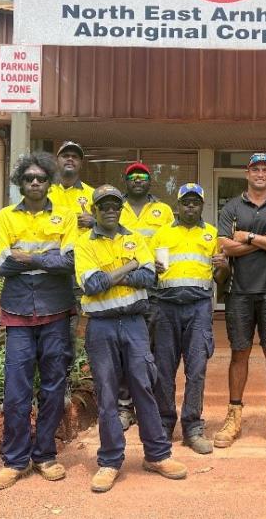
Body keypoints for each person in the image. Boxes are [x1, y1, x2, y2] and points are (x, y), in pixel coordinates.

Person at [75, 185, 187, 492]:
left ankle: (157, 455)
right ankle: (110, 461)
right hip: (101, 326)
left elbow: (149, 277)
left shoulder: (135, 238)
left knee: (144, 387)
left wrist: (113, 276)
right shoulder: (83, 243)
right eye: (104, 206)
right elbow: (93, 285)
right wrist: (130, 265)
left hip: (135, 323)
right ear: (95, 210)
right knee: (107, 394)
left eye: (115, 205)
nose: (110, 210)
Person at [0, 152, 77, 490]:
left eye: (41, 178)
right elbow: (4, 265)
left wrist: (29, 258)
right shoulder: (6, 217)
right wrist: (47, 259)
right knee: (16, 390)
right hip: (18, 311)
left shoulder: (66, 217)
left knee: (54, 387)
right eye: (29, 178)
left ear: (49, 182)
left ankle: (45, 455)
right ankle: (15, 460)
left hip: (56, 310)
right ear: (20, 183)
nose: (35, 183)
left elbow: (69, 262)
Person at [215, 153, 266, 451]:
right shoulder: (232, 207)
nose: (260, 173)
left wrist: (248, 237)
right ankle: (233, 416)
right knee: (239, 353)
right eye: (255, 169)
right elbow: (225, 246)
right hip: (239, 292)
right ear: (247, 173)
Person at [150, 183, 228, 454]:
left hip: (198, 308)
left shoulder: (212, 234)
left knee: (196, 370)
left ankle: (192, 427)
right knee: (163, 370)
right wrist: (152, 270)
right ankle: (164, 423)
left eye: (195, 202)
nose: (190, 207)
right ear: (178, 205)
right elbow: (149, 273)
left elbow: (220, 278)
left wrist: (224, 267)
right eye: (186, 202)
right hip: (166, 307)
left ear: (202, 205)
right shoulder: (161, 234)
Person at [117, 160, 175, 429]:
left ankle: (147, 405)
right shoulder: (115, 207)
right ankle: (124, 406)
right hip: (123, 288)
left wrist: (165, 266)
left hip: (154, 290)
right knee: (125, 349)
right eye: (132, 177)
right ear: (126, 182)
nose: (137, 180)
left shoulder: (163, 210)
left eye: (142, 176)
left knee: (151, 350)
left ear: (150, 181)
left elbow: (170, 242)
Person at [47, 140, 95, 239]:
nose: (70, 159)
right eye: (65, 156)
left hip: (80, 248)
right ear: (56, 162)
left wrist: (94, 222)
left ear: (81, 164)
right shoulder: (43, 191)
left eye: (75, 157)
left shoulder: (93, 194)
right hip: (49, 247)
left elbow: (110, 226)